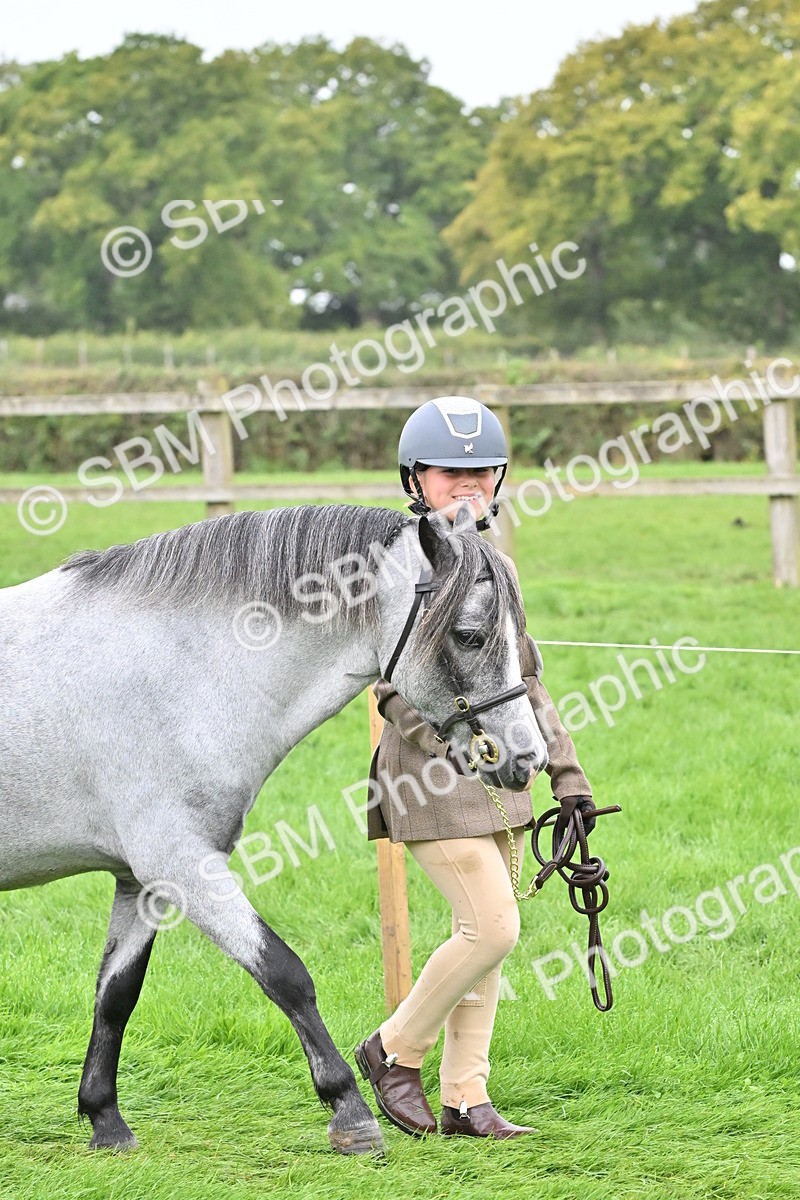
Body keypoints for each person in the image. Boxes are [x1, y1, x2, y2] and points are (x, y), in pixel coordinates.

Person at [354, 396, 595, 1140]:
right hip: (428, 780)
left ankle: (466, 1096)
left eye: (480, 471)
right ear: (415, 478)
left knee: (482, 933)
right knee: (492, 928)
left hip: (501, 781)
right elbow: (389, 690)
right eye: (447, 471)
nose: (466, 485)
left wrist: (569, 775)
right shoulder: (397, 567)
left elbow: (524, 683)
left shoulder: (499, 566)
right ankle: (393, 1051)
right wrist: (463, 748)